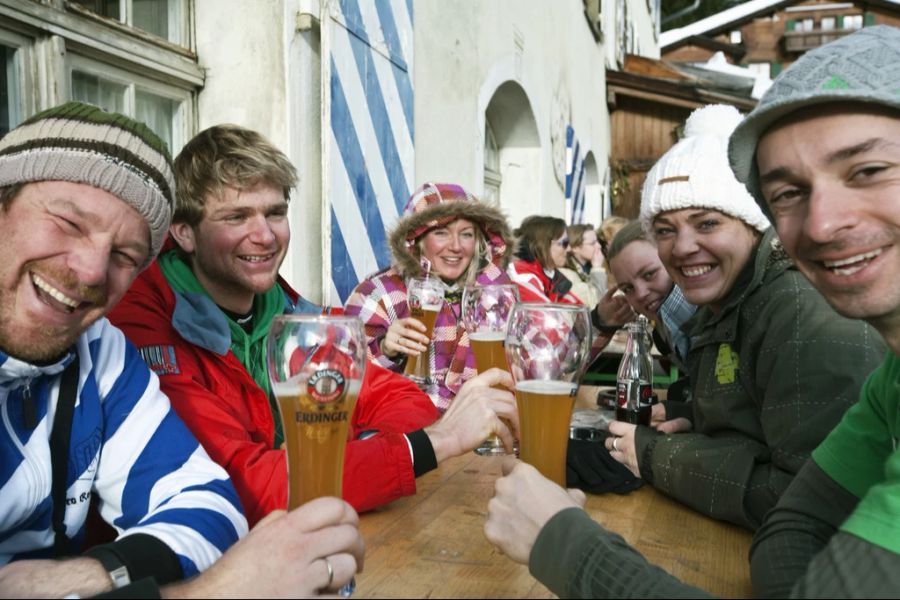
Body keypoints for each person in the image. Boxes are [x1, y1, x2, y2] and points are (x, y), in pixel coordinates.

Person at [483, 26, 900, 598]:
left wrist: (563, 538)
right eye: (788, 193)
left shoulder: (808, 316)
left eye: (868, 171)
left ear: (751, 228)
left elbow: (787, 500)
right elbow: (793, 527)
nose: (823, 223)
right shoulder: (890, 383)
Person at [0, 102, 361, 598]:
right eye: (68, 223)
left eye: (125, 254)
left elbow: (209, 507)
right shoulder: (144, 326)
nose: (89, 270)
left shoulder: (100, 348)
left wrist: (90, 576)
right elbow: (248, 482)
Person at [109, 127, 518, 528]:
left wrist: (342, 457)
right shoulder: (146, 324)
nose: (265, 236)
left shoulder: (286, 309)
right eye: (236, 217)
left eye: (275, 213)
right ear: (184, 232)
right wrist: (437, 442)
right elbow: (240, 485)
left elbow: (404, 400)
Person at [344, 182, 514, 412]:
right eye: (441, 233)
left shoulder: (498, 293)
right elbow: (343, 376)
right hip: (408, 434)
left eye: (466, 234)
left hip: (482, 434)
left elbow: (532, 360)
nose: (456, 246)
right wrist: (384, 348)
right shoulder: (378, 293)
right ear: (417, 241)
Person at [507, 215, 583, 304]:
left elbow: (579, 310)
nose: (569, 249)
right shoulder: (521, 272)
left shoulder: (551, 275)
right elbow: (542, 315)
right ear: (544, 245)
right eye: (564, 243)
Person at [559, 223, 608, 308]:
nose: (599, 246)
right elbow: (597, 301)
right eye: (592, 243)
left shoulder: (590, 265)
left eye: (597, 241)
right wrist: (597, 268)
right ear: (575, 248)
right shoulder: (567, 273)